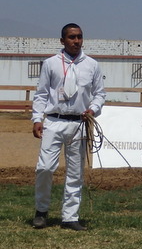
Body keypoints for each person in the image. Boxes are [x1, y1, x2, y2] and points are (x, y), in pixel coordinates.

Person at [31, 23, 106, 231]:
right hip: (54, 121)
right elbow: (42, 94)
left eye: (80, 37)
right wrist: (37, 119)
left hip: (79, 124)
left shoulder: (91, 64)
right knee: (45, 167)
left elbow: (100, 93)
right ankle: (41, 210)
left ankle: (70, 216)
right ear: (62, 41)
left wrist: (93, 109)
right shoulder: (50, 64)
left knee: (75, 172)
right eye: (72, 37)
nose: (76, 41)